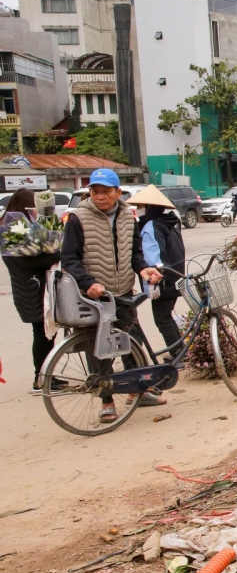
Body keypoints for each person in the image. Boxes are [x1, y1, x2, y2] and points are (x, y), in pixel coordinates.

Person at [61, 168, 165, 421]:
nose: (100, 196)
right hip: (93, 296)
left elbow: (134, 255)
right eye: (95, 191)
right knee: (100, 350)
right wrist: (88, 283)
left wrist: (143, 269)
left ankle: (137, 391)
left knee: (131, 343)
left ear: (118, 192)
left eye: (106, 191)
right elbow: (69, 259)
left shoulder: (128, 218)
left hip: (122, 291)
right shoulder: (77, 218)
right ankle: (106, 401)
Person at [1, 189, 58, 393]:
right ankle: (41, 379)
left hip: (31, 288)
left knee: (45, 334)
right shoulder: (14, 228)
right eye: (33, 206)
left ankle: (45, 377)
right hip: (31, 289)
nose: (36, 210)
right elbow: (26, 262)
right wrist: (56, 255)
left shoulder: (16, 226)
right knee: (43, 334)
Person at [129, 185, 186, 353]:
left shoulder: (151, 226)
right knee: (166, 317)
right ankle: (180, 351)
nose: (138, 210)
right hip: (174, 277)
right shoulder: (168, 223)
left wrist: (153, 280)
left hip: (160, 279)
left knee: (162, 320)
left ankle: (178, 354)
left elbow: (153, 255)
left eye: (140, 207)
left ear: (148, 208)